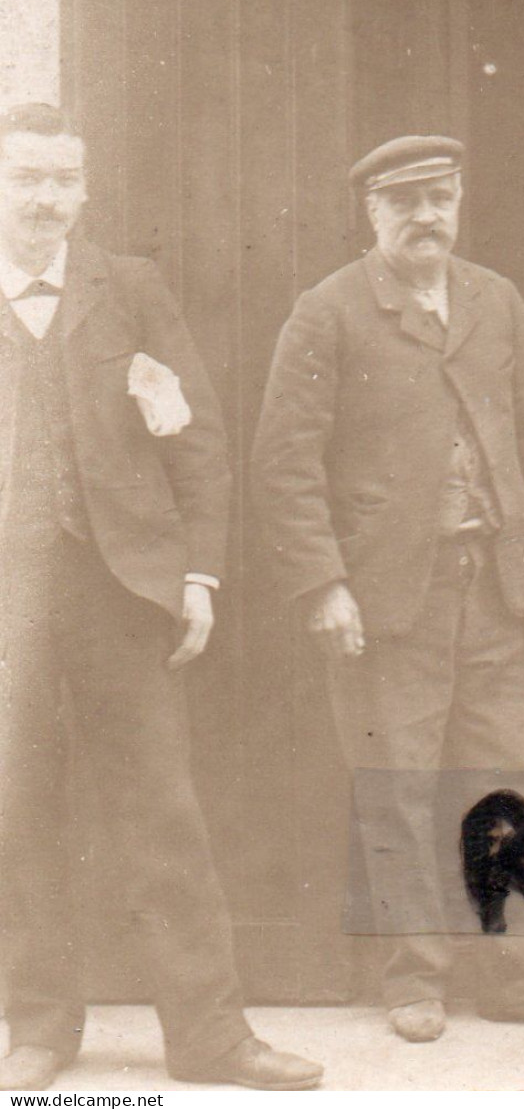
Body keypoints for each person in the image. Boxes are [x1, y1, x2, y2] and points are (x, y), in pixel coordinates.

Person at [251, 135, 524, 1043]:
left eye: (441, 197)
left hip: (499, 586)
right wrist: (325, 583)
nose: (426, 217)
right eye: (404, 202)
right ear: (372, 212)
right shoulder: (328, 311)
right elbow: (284, 464)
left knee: (516, 787)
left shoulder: (497, 299)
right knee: (401, 785)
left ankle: (523, 976)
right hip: (387, 598)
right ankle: (412, 979)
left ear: (459, 202)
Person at [0, 103, 323, 1091]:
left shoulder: (128, 290)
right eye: (26, 178)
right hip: (10, 598)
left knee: (162, 813)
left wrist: (196, 575)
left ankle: (211, 1037)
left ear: (85, 189)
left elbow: (196, 437)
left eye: (62, 178)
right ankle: (41, 1024)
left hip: (120, 589)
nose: (44, 197)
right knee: (16, 809)